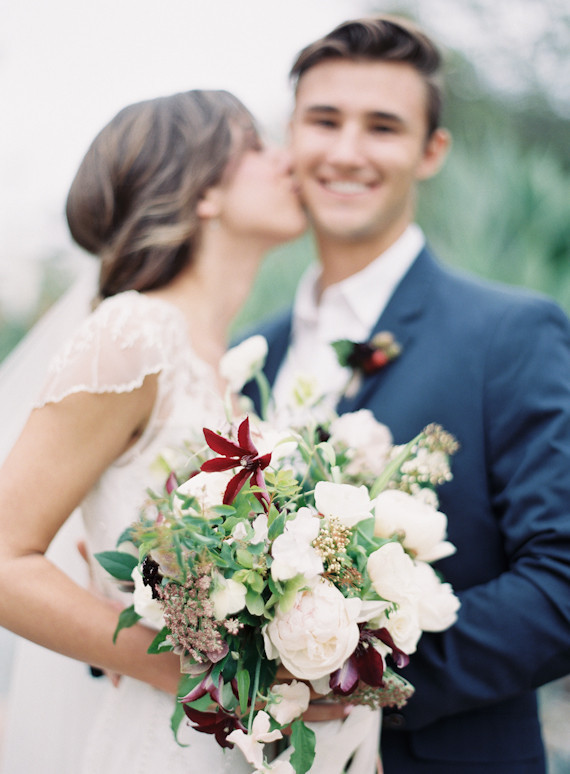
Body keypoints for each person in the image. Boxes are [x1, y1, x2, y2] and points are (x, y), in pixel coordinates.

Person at [248, 15, 570, 774]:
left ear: (432, 152)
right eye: (325, 120)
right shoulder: (249, 355)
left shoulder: (510, 334)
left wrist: (348, 676)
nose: (348, 151)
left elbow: (561, 580)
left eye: (383, 127)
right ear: (291, 135)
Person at [0, 89, 307, 773]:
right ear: (202, 191)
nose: (287, 160)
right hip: (167, 742)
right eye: (255, 145)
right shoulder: (133, 334)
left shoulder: (227, 365)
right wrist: (170, 668)